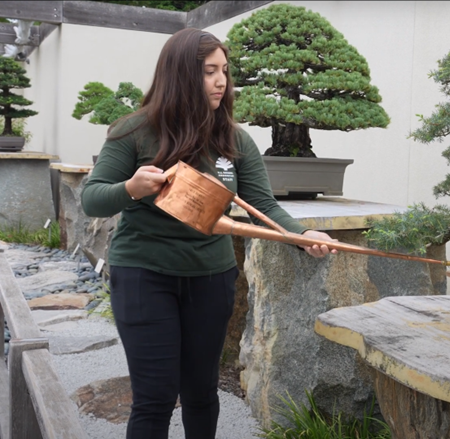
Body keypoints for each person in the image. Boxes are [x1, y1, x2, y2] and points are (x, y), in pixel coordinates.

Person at [81, 28, 337, 439]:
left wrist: (302, 234)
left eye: (224, 71)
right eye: (208, 72)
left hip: (211, 278)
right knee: (155, 397)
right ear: (180, 75)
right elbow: (92, 199)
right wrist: (130, 188)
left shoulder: (233, 139)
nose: (221, 81)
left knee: (201, 392)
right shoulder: (134, 130)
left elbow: (264, 206)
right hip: (145, 276)